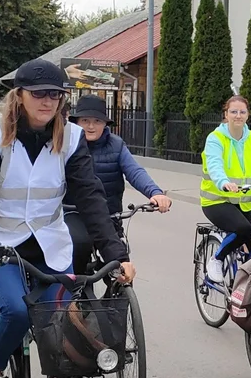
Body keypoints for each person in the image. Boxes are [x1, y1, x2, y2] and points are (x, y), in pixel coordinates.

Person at [0, 59, 134, 378]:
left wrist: (117, 253)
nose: (47, 101)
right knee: (17, 311)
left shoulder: (70, 137)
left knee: (67, 337)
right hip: (0, 245)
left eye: (55, 94)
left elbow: (90, 197)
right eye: (39, 93)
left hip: (49, 245)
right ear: (19, 95)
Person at [64, 94, 171, 276]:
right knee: (79, 245)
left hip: (109, 215)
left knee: (121, 261)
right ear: (76, 122)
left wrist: (155, 192)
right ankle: (74, 294)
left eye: (97, 121)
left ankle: (120, 299)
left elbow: (135, 171)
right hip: (74, 214)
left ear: (105, 124)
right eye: (85, 120)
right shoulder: (67, 145)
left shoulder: (116, 145)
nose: (91, 126)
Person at [200, 95, 251, 283]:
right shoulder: (216, 138)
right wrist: (223, 182)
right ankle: (216, 259)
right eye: (233, 111)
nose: (238, 116)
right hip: (217, 200)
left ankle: (249, 285)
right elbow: (214, 163)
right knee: (243, 228)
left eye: (242, 112)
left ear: (248, 115)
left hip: (245, 201)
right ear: (226, 114)